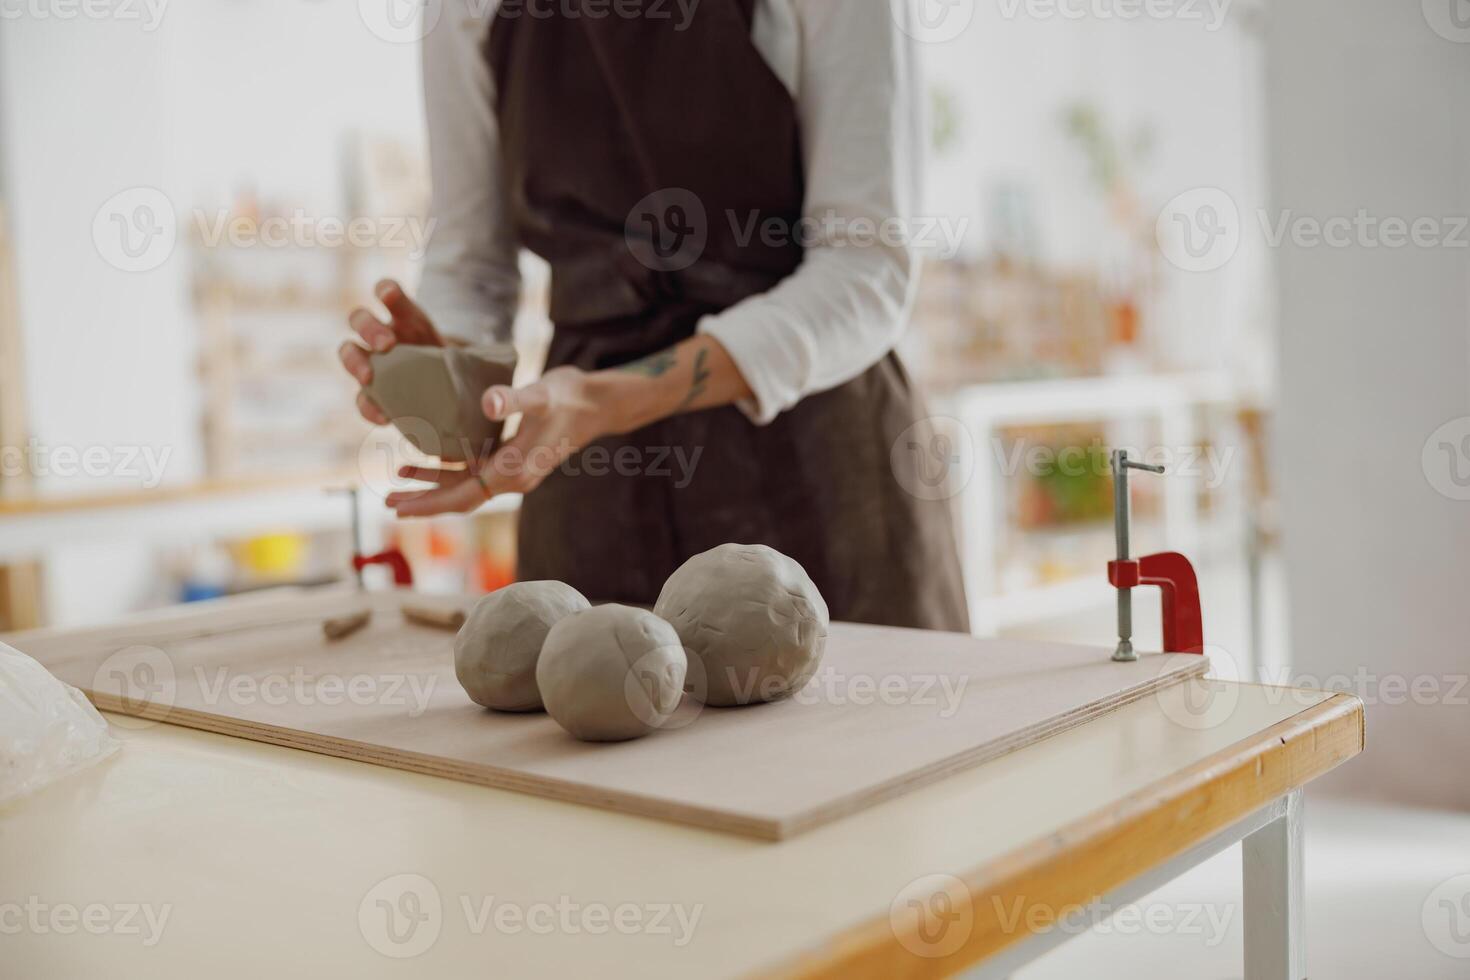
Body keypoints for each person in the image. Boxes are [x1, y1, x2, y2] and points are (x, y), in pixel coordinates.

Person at [339, 0, 969, 632]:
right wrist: (452, 371)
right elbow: (471, 263)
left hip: (818, 460)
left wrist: (612, 398)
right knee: (585, 704)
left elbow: (865, 272)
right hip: (586, 468)